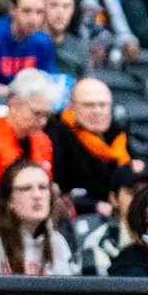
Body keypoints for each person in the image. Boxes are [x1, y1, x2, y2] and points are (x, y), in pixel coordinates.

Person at [0, 69, 57, 199]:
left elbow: (46, 185)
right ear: (12, 104)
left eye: (46, 115)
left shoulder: (43, 141)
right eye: (37, 113)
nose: (43, 122)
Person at [50, 77, 135, 209]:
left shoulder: (118, 136)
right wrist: (93, 205)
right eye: (88, 105)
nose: (97, 111)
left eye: (103, 105)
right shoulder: (57, 134)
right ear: (71, 107)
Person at [40, 0, 91, 80]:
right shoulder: (28, 42)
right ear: (43, 7)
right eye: (54, 5)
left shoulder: (79, 47)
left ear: (73, 10)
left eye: (66, 6)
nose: (60, 12)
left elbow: (87, 83)